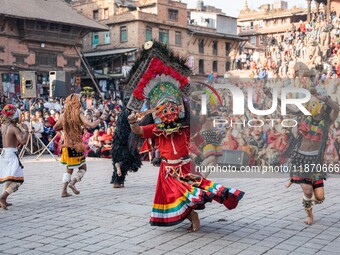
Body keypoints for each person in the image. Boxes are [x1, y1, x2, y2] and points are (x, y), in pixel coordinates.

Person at [285, 90, 339, 225]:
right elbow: (291, 109)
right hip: (300, 158)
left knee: (320, 197)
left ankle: (307, 201)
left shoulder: (327, 121)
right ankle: (309, 214)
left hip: (315, 160)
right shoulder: (305, 117)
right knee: (308, 191)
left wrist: (325, 99)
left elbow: (337, 109)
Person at [53, 94, 105, 198]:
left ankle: (64, 191)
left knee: (69, 169)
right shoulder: (78, 114)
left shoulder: (63, 115)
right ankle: (72, 183)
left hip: (67, 146)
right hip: (76, 146)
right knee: (83, 168)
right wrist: (100, 119)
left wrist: (65, 129)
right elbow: (91, 125)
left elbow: (55, 127)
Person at [0, 104, 28, 209]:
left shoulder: (3, 127)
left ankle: (3, 200)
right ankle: (2, 197)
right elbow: (23, 141)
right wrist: (27, 131)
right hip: (11, 154)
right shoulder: (13, 128)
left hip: (5, 154)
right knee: (18, 180)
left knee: (10, 179)